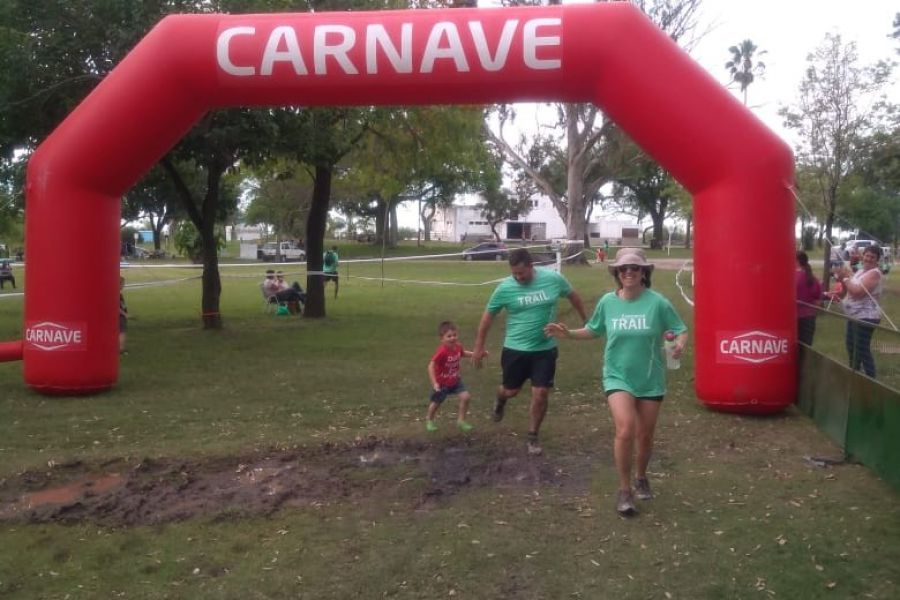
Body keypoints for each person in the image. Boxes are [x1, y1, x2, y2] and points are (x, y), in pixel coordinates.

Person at [545, 247, 687, 517]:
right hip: (617, 375)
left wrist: (679, 345)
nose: (629, 272)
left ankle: (641, 476)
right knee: (626, 429)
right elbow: (595, 329)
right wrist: (569, 334)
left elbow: (680, 329)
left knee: (645, 435)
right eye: (624, 268)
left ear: (644, 272)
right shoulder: (608, 302)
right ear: (617, 273)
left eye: (635, 268)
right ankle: (624, 490)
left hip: (650, 377)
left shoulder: (657, 303)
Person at [472, 248, 588, 456]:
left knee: (541, 392)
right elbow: (488, 317)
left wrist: (586, 320)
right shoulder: (505, 288)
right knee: (510, 391)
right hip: (515, 349)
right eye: (514, 273)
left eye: (521, 273)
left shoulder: (553, 279)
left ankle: (532, 436)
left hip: (545, 349)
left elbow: (573, 295)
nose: (518, 278)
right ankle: (500, 399)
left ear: (531, 266)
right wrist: (479, 346)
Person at [835, 245, 884, 378]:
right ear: (863, 256)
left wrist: (846, 278)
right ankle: (854, 375)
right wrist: (838, 290)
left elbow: (858, 292)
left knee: (862, 349)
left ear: (877, 260)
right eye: (867, 255)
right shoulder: (860, 271)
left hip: (866, 317)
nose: (868, 259)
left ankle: (871, 380)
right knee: (851, 346)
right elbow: (850, 289)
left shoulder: (875, 273)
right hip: (854, 316)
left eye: (872, 257)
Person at [426, 321, 477, 433]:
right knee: (436, 403)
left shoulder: (458, 347)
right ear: (442, 338)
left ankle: (461, 421)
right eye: (449, 336)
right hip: (442, 383)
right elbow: (431, 366)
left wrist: (476, 354)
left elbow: (463, 353)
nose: (452, 338)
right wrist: (434, 383)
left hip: (455, 380)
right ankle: (429, 420)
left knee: (466, 397)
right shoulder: (442, 351)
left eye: (454, 335)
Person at [795, 251, 822, 346]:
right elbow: (818, 300)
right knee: (806, 347)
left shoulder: (792, 277)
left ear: (796, 261)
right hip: (810, 317)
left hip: (795, 318)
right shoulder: (813, 278)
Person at [119, 277, 128, 354]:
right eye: (123, 284)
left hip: (121, 315)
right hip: (121, 316)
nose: (124, 285)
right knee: (122, 332)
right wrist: (125, 314)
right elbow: (117, 307)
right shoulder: (117, 295)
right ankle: (121, 349)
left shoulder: (119, 294)